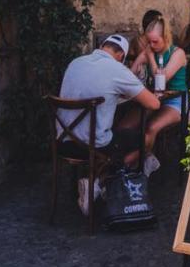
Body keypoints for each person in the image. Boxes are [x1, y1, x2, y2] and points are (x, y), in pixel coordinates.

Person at [56, 34, 162, 210]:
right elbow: (154, 103)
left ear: (103, 46)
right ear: (121, 56)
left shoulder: (76, 63)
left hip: (63, 142)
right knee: (145, 139)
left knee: (115, 134)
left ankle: (99, 182)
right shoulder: (117, 69)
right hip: (92, 145)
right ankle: (98, 183)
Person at [129, 14, 187, 177]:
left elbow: (163, 78)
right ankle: (145, 158)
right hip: (154, 100)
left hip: (176, 102)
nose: (151, 45)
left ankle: (130, 166)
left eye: (155, 41)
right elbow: (130, 75)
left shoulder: (178, 53)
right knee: (128, 125)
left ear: (166, 37)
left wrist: (149, 57)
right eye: (149, 41)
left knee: (151, 128)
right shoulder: (150, 50)